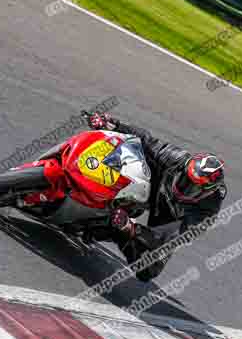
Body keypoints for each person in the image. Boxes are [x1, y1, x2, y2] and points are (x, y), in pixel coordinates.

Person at [86, 112, 227, 282]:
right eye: (185, 180)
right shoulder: (179, 159)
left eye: (192, 188)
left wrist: (131, 229)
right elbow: (146, 140)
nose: (184, 186)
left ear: (207, 192)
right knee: (136, 150)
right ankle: (97, 183)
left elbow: (170, 238)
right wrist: (113, 125)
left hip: (168, 218)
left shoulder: (206, 211)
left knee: (147, 269)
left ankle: (113, 230)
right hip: (156, 188)